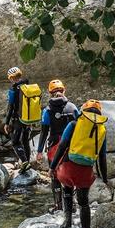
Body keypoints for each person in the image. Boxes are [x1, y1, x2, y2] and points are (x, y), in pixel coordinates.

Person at [50, 99, 108, 228]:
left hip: (68, 166)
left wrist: (53, 166)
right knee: (83, 203)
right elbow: (102, 157)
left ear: (84, 111)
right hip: (86, 170)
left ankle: (67, 220)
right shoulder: (102, 129)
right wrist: (104, 177)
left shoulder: (74, 124)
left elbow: (62, 145)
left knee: (67, 190)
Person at [36, 80, 79, 212]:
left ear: (50, 93)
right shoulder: (73, 107)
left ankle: (58, 205)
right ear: (63, 91)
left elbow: (44, 132)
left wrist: (39, 151)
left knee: (54, 175)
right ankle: (71, 204)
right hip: (71, 146)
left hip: (54, 146)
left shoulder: (47, 110)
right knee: (69, 174)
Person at [3, 67, 33, 172]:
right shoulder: (28, 85)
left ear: (11, 78)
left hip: (18, 118)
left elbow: (10, 108)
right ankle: (28, 163)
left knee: (15, 142)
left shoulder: (13, 90)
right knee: (25, 141)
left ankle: (24, 162)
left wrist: (6, 123)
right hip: (29, 118)